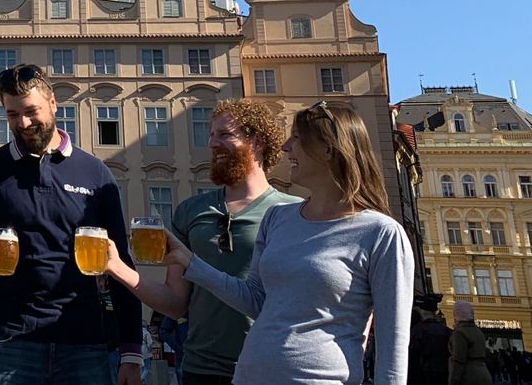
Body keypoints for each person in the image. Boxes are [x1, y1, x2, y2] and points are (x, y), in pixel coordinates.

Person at [161, 101, 415, 385]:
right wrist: (189, 261)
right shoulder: (277, 218)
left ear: (327, 148)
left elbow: (393, 343)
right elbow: (255, 299)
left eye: (296, 137)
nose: (284, 148)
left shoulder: (380, 233)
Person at [0, 64, 144, 385]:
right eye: (11, 115)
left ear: (53, 102)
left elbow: (122, 264)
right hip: (10, 338)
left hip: (83, 340)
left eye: (31, 111)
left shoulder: (96, 173)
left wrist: (131, 349)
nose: (23, 123)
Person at [103, 99, 301, 385]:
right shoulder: (191, 211)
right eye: (210, 134)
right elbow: (175, 304)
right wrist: (118, 268)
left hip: (269, 367)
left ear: (256, 141)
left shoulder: (291, 212)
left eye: (224, 135)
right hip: (201, 368)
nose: (212, 143)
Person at [447, 302, 491, 385]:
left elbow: (458, 360)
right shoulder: (478, 332)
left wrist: (453, 381)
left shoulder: (460, 333)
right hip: (484, 374)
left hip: (468, 376)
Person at [412, 296, 451, 385]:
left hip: (424, 376)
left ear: (421, 312)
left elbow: (412, 355)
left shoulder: (417, 332)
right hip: (445, 374)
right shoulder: (447, 331)